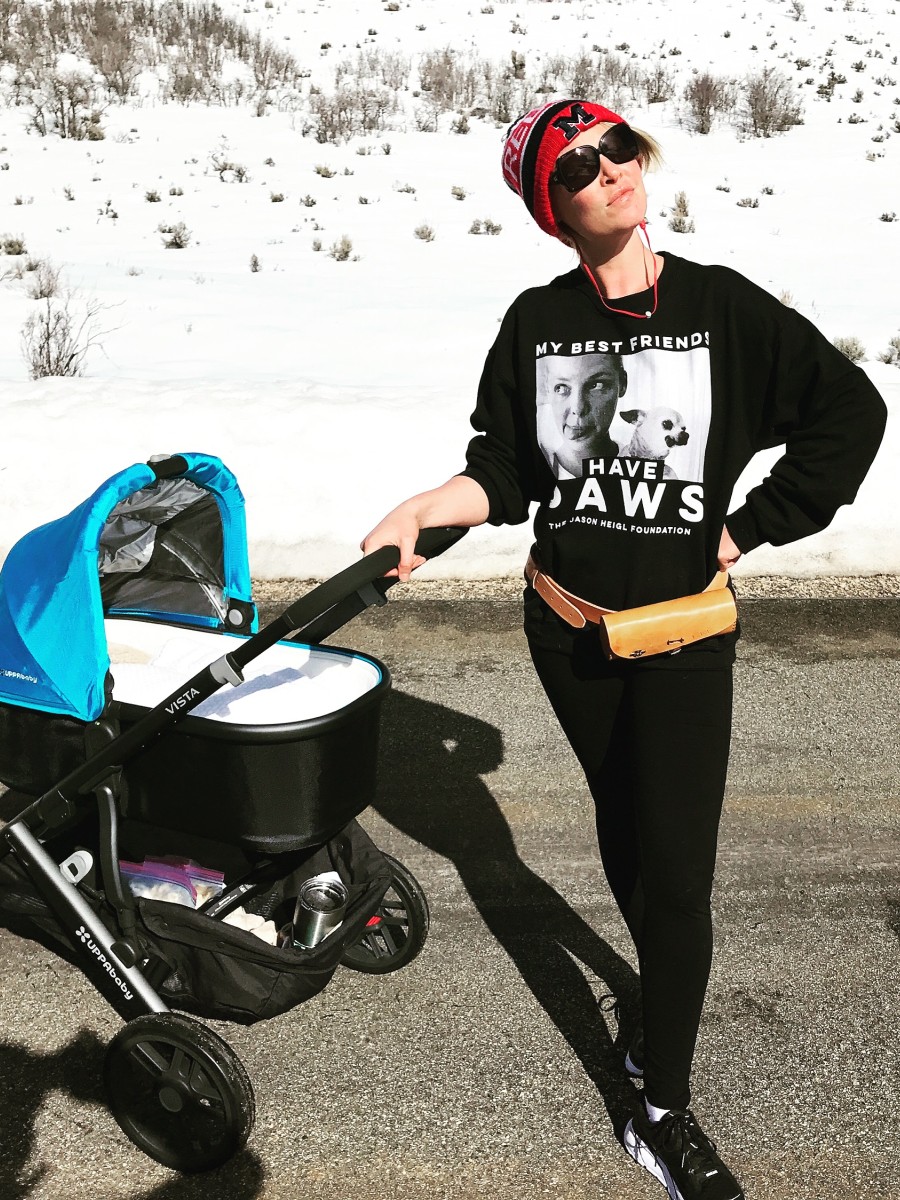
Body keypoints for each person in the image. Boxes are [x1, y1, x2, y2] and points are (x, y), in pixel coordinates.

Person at [361, 99, 887, 1200]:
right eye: (575, 169)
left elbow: (851, 411)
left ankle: (662, 1104)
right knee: (627, 834)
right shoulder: (539, 322)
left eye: (614, 148)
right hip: (568, 634)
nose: (606, 171)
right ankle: (659, 993)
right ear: (551, 211)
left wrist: (745, 529)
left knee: (679, 875)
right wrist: (423, 508)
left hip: (682, 636)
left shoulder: (721, 309)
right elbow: (508, 471)